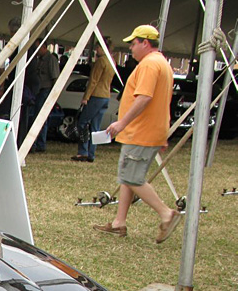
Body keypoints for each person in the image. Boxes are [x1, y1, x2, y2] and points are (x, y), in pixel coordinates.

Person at [94, 25, 181, 243]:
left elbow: (144, 98)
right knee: (128, 177)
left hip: (141, 132)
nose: (130, 48)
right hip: (150, 131)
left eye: (133, 44)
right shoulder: (163, 64)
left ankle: (166, 213)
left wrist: (121, 122)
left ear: (145, 43)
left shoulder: (150, 65)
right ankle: (118, 222)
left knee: (131, 177)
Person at [72, 38, 114, 162]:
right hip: (106, 96)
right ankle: (91, 153)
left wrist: (86, 97)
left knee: (83, 122)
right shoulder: (111, 62)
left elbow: (93, 80)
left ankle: (83, 151)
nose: (96, 50)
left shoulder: (101, 61)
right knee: (95, 127)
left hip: (96, 95)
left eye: (97, 48)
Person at [31, 43, 61, 152]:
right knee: (38, 117)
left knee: (41, 118)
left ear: (44, 47)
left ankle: (40, 144)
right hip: (39, 90)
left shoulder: (51, 59)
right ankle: (38, 143)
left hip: (46, 90)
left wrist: (53, 96)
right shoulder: (39, 59)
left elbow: (55, 77)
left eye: (38, 48)